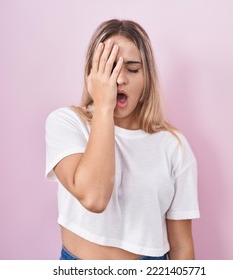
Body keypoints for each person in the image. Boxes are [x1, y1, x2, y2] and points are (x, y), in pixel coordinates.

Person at [45, 19, 200, 260]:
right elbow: (94, 197)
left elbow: (181, 246)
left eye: (132, 69)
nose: (118, 80)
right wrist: (104, 108)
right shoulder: (66, 123)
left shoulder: (174, 146)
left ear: (147, 77)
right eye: (109, 68)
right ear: (91, 75)